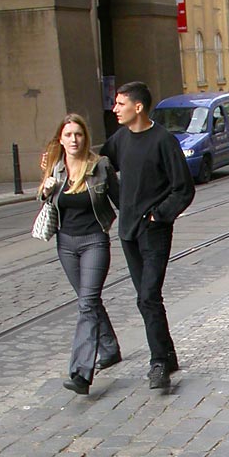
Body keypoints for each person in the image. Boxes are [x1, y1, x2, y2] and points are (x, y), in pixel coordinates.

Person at [101, 81, 194, 390]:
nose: (115, 109)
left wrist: (159, 215)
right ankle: (168, 356)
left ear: (137, 107)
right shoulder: (120, 139)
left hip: (154, 232)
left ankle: (158, 364)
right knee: (147, 300)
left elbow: (184, 189)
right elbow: (99, 164)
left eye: (120, 103)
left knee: (148, 296)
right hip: (128, 231)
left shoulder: (163, 141)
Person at [37, 113, 121, 395]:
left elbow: (121, 200)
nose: (74, 140)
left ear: (85, 137)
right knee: (89, 300)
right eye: (68, 135)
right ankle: (109, 348)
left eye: (79, 134)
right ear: (60, 139)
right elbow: (46, 200)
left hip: (94, 241)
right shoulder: (56, 168)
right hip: (66, 245)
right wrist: (46, 189)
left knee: (87, 303)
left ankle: (81, 373)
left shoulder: (100, 166)